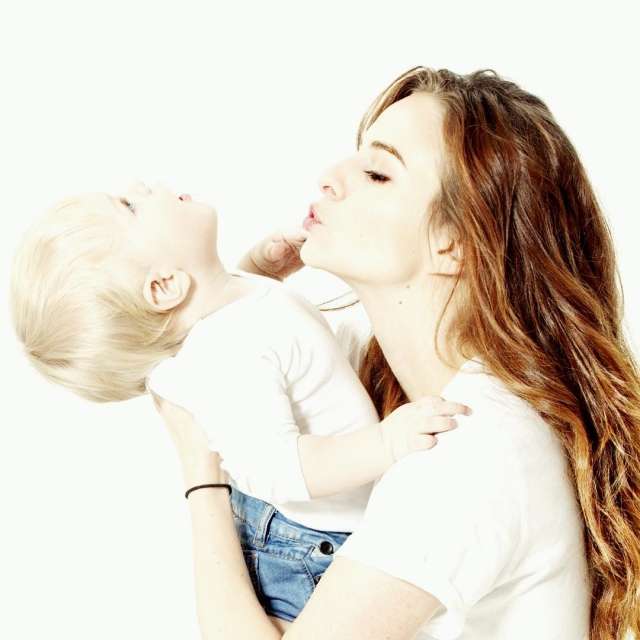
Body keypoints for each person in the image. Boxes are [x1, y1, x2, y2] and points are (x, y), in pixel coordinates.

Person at [154, 66, 640, 640]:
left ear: (453, 245)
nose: (330, 178)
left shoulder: (470, 450)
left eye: (378, 173)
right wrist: (244, 283)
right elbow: (225, 348)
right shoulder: (371, 367)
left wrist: (201, 471)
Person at [9, 180, 470, 623]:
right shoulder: (228, 358)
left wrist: (260, 269)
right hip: (311, 546)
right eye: (128, 207)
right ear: (164, 286)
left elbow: (245, 321)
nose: (137, 186)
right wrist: (387, 443)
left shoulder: (224, 308)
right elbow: (282, 468)